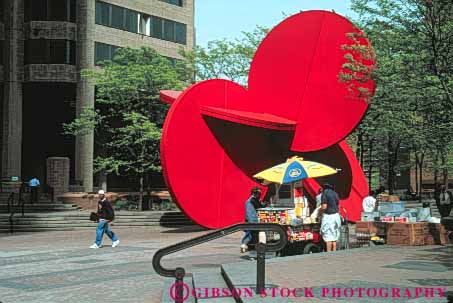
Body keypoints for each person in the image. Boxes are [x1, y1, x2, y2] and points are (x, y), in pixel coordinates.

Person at [240, 186, 266, 253]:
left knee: (251, 235)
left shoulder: (254, 200)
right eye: (258, 194)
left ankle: (245, 246)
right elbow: (250, 214)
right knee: (250, 235)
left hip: (253, 221)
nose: (259, 195)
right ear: (255, 193)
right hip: (252, 221)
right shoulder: (251, 201)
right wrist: (253, 223)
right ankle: (245, 245)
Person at [320, 183, 341, 252]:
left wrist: (319, 212)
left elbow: (324, 206)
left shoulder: (324, 194)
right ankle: (334, 252)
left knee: (328, 236)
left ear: (324, 188)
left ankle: (328, 253)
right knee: (334, 235)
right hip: (336, 216)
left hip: (328, 217)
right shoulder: (335, 194)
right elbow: (338, 205)